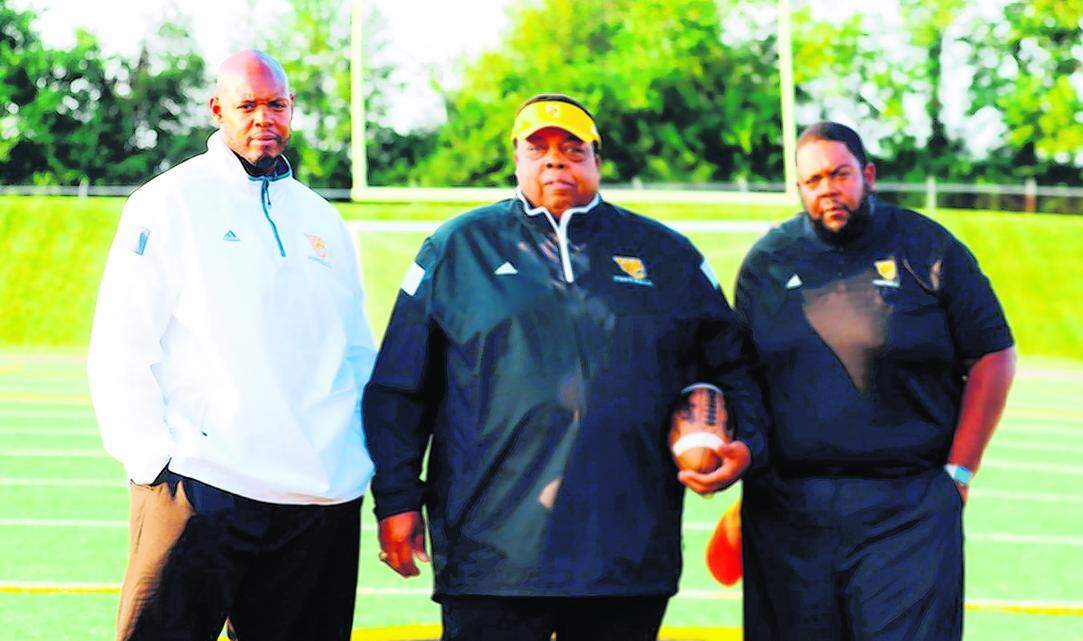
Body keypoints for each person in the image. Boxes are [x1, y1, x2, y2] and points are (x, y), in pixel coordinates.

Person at [362, 93, 768, 641]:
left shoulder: (667, 256)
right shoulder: (458, 250)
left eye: (573, 148)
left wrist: (746, 446)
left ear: (598, 161)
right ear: (517, 160)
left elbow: (735, 368)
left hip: (627, 546)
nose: (556, 160)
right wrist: (397, 499)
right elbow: (400, 389)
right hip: (492, 550)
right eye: (539, 148)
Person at [87, 50, 376, 641]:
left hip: (316, 500)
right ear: (218, 109)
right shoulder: (170, 202)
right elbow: (122, 340)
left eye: (276, 104)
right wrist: (154, 465)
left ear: (291, 110)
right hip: (201, 484)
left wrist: (355, 462)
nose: (263, 118)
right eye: (247, 105)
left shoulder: (323, 221)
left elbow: (354, 352)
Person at [733, 121, 1017, 641]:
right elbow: (742, 377)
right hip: (789, 513)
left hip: (906, 508)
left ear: (867, 174)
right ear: (799, 189)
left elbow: (994, 354)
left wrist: (959, 471)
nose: (827, 190)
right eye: (812, 181)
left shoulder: (927, 248)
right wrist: (748, 462)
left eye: (839, 175)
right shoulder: (767, 263)